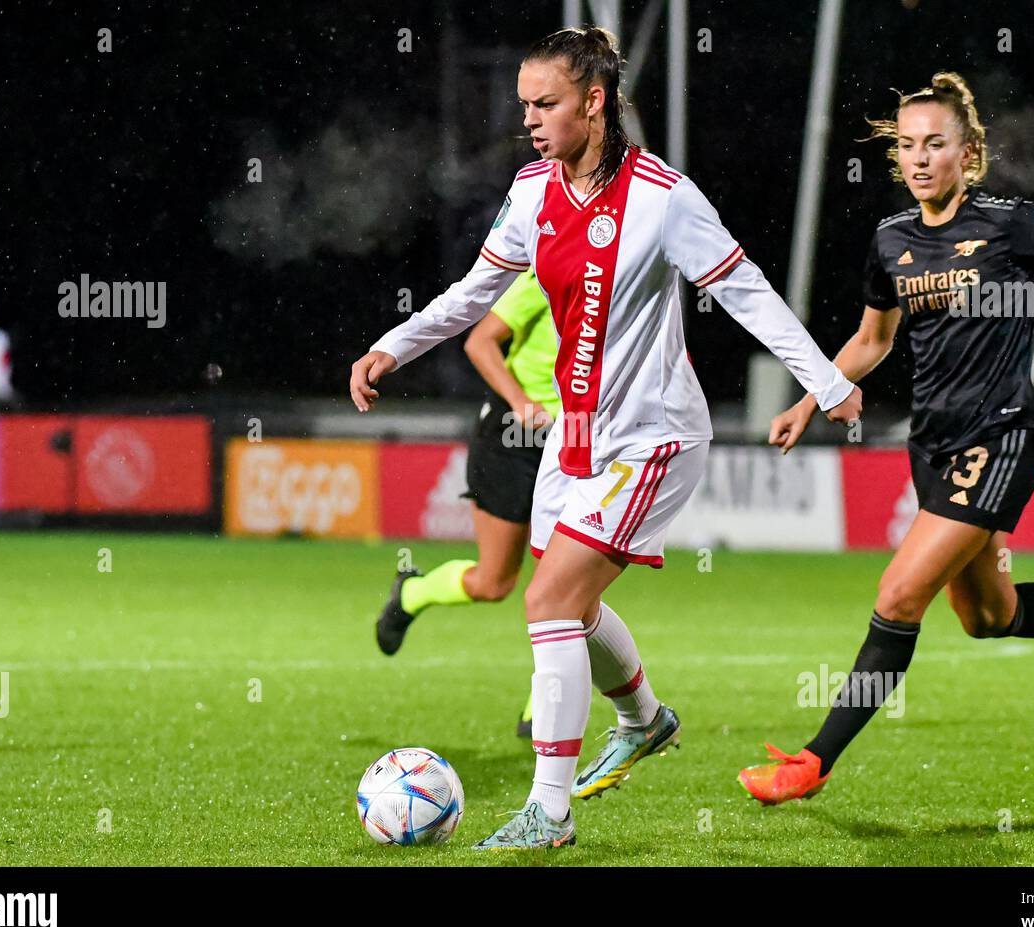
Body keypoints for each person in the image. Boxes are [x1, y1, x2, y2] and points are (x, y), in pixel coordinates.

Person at [350, 26, 861, 848]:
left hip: (653, 437)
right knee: (566, 606)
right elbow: (472, 293)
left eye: (544, 104)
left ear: (594, 103)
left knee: (549, 601)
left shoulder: (663, 197)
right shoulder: (532, 192)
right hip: (576, 440)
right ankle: (646, 720)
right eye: (524, 105)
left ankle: (548, 814)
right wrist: (393, 344)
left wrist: (826, 381)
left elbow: (748, 293)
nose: (530, 120)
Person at [741, 72, 1034, 807]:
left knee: (900, 591)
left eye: (934, 144)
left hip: (1001, 435)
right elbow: (873, 340)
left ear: (968, 154)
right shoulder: (890, 240)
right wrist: (811, 399)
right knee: (988, 618)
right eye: (907, 146)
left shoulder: (1009, 223)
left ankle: (814, 761)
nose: (918, 158)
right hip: (933, 444)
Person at [375, 269, 558, 739]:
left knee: (571, 579)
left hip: (578, 443)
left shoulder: (630, 277)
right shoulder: (548, 270)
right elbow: (480, 342)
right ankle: (412, 594)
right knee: (495, 582)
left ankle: (544, 702)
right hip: (515, 438)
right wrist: (520, 402)